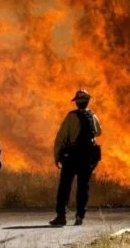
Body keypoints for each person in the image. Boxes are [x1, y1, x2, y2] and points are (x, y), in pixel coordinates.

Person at [49, 89, 102, 226]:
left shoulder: (71, 117)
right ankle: (80, 216)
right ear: (88, 101)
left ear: (77, 103)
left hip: (72, 156)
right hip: (87, 156)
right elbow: (99, 132)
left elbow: (60, 137)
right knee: (83, 187)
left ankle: (61, 216)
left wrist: (57, 156)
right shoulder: (93, 116)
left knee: (65, 187)